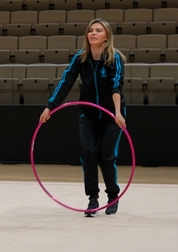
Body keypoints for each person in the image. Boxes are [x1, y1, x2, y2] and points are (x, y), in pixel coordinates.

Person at [39, 19, 127, 217]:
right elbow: (66, 81)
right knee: (88, 152)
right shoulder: (80, 58)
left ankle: (113, 195)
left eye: (98, 30)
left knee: (106, 155)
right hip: (88, 116)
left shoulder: (115, 59)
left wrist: (118, 113)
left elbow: (116, 86)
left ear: (107, 36)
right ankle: (93, 198)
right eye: (90, 30)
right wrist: (50, 107)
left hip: (112, 116)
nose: (93, 33)